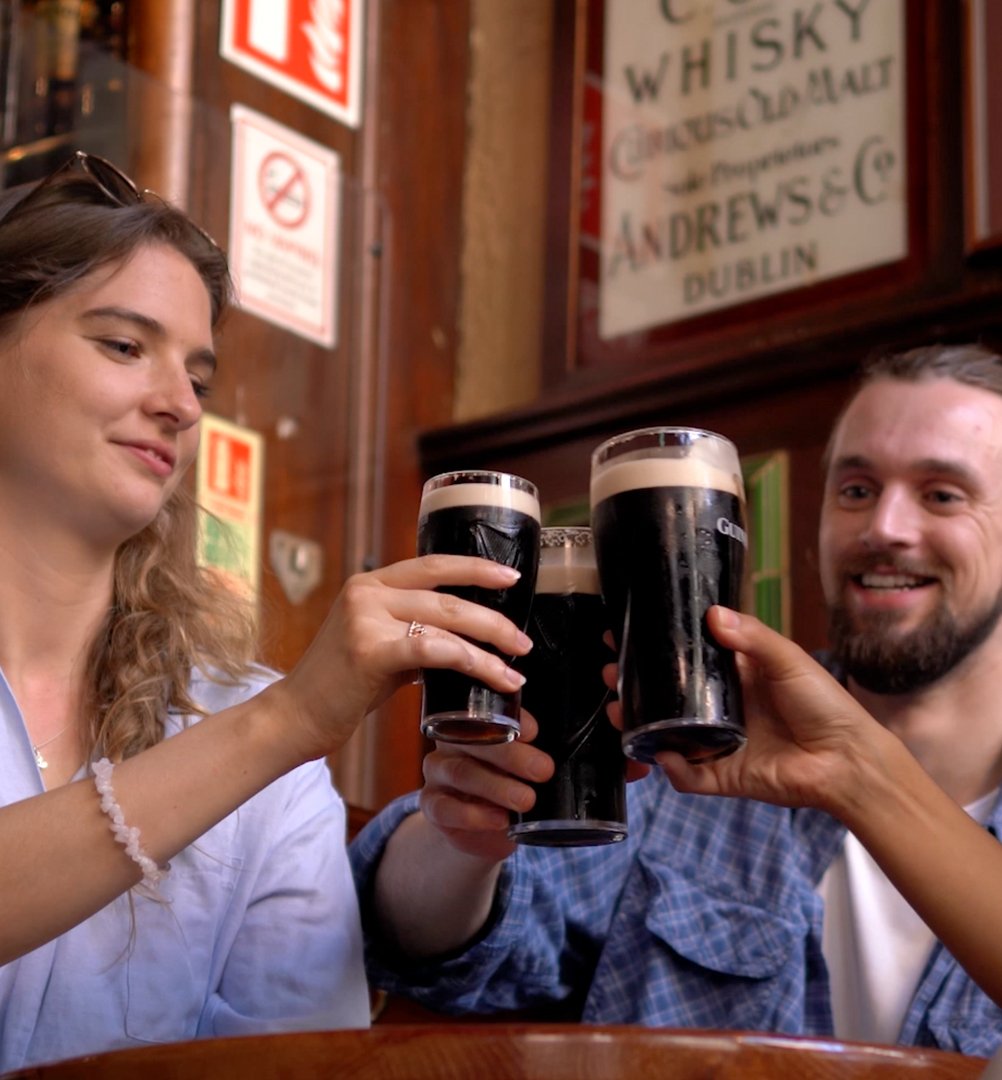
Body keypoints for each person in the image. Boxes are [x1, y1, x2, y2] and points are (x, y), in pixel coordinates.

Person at [0, 151, 531, 1072]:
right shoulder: (266, 732)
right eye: (123, 345)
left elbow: (297, 1064)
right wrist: (290, 720)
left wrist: (281, 727)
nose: (177, 405)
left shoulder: (257, 748)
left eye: (198, 380)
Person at [350, 342, 1002, 1057]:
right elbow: (430, 947)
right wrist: (460, 843)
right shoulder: (689, 748)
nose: (884, 528)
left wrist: (864, 778)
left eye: (942, 494)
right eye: (856, 490)